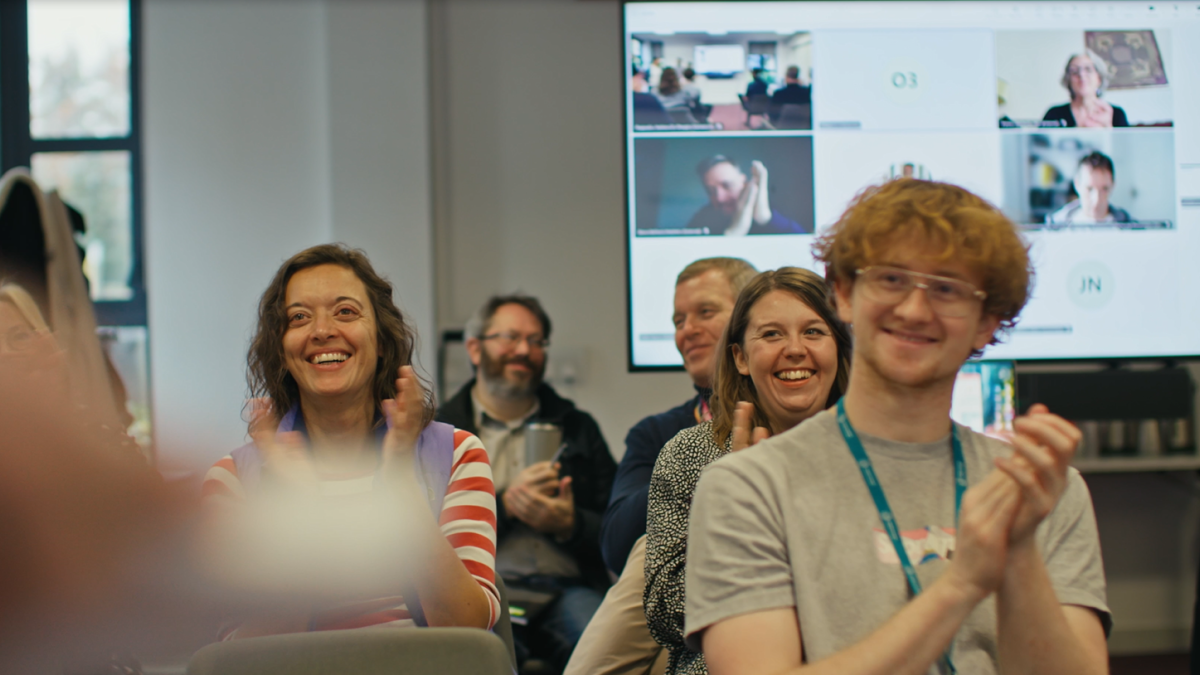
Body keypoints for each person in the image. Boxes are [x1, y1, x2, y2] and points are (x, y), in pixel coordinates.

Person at [685, 179, 1110, 675]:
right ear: (844, 294)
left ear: (986, 322)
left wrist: (1018, 554)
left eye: (947, 288)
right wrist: (960, 585)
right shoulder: (748, 487)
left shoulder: (1042, 492)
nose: (913, 310)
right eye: (891, 280)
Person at [201, 244, 500, 638]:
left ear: (381, 339)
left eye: (345, 312)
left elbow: (467, 628)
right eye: (299, 317)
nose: (322, 331)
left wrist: (400, 484)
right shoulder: (234, 479)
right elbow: (239, 653)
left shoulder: (458, 453)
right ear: (281, 349)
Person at [644, 267, 853, 675]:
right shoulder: (689, 455)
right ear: (740, 357)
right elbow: (665, 616)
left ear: (838, 348)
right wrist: (735, 517)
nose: (795, 349)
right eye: (772, 334)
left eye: (813, 331)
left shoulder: (869, 457)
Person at [564, 257, 760, 675]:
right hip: (676, 613)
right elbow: (615, 545)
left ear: (749, 320)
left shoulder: (801, 424)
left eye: (705, 312)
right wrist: (703, 463)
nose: (687, 330)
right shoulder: (658, 435)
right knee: (646, 551)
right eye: (678, 320)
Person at [437, 293, 616, 672]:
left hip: (565, 589)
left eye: (536, 341)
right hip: (481, 591)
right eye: (510, 337)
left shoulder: (578, 427)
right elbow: (425, 534)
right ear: (474, 349)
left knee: (608, 650)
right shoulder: (440, 434)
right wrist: (504, 506)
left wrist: (570, 525)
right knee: (475, 659)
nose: (524, 350)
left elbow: (619, 532)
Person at [685, 156, 810, 236]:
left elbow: (803, 241)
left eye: (727, 186)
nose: (719, 198)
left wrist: (766, 219)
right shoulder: (701, 218)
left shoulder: (775, 208)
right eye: (710, 191)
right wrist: (733, 233)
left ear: (744, 183)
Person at [1042, 50, 1129, 128]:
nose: (1081, 75)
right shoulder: (1053, 114)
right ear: (1068, 80)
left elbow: (1125, 141)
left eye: (1088, 69)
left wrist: (1108, 127)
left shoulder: (1116, 114)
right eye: (1074, 71)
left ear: (1099, 79)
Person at [1046, 151, 1132, 226]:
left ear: (1112, 186)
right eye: (1089, 189)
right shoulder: (1055, 226)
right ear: (1077, 184)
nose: (1096, 199)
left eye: (1104, 189)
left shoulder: (1131, 228)